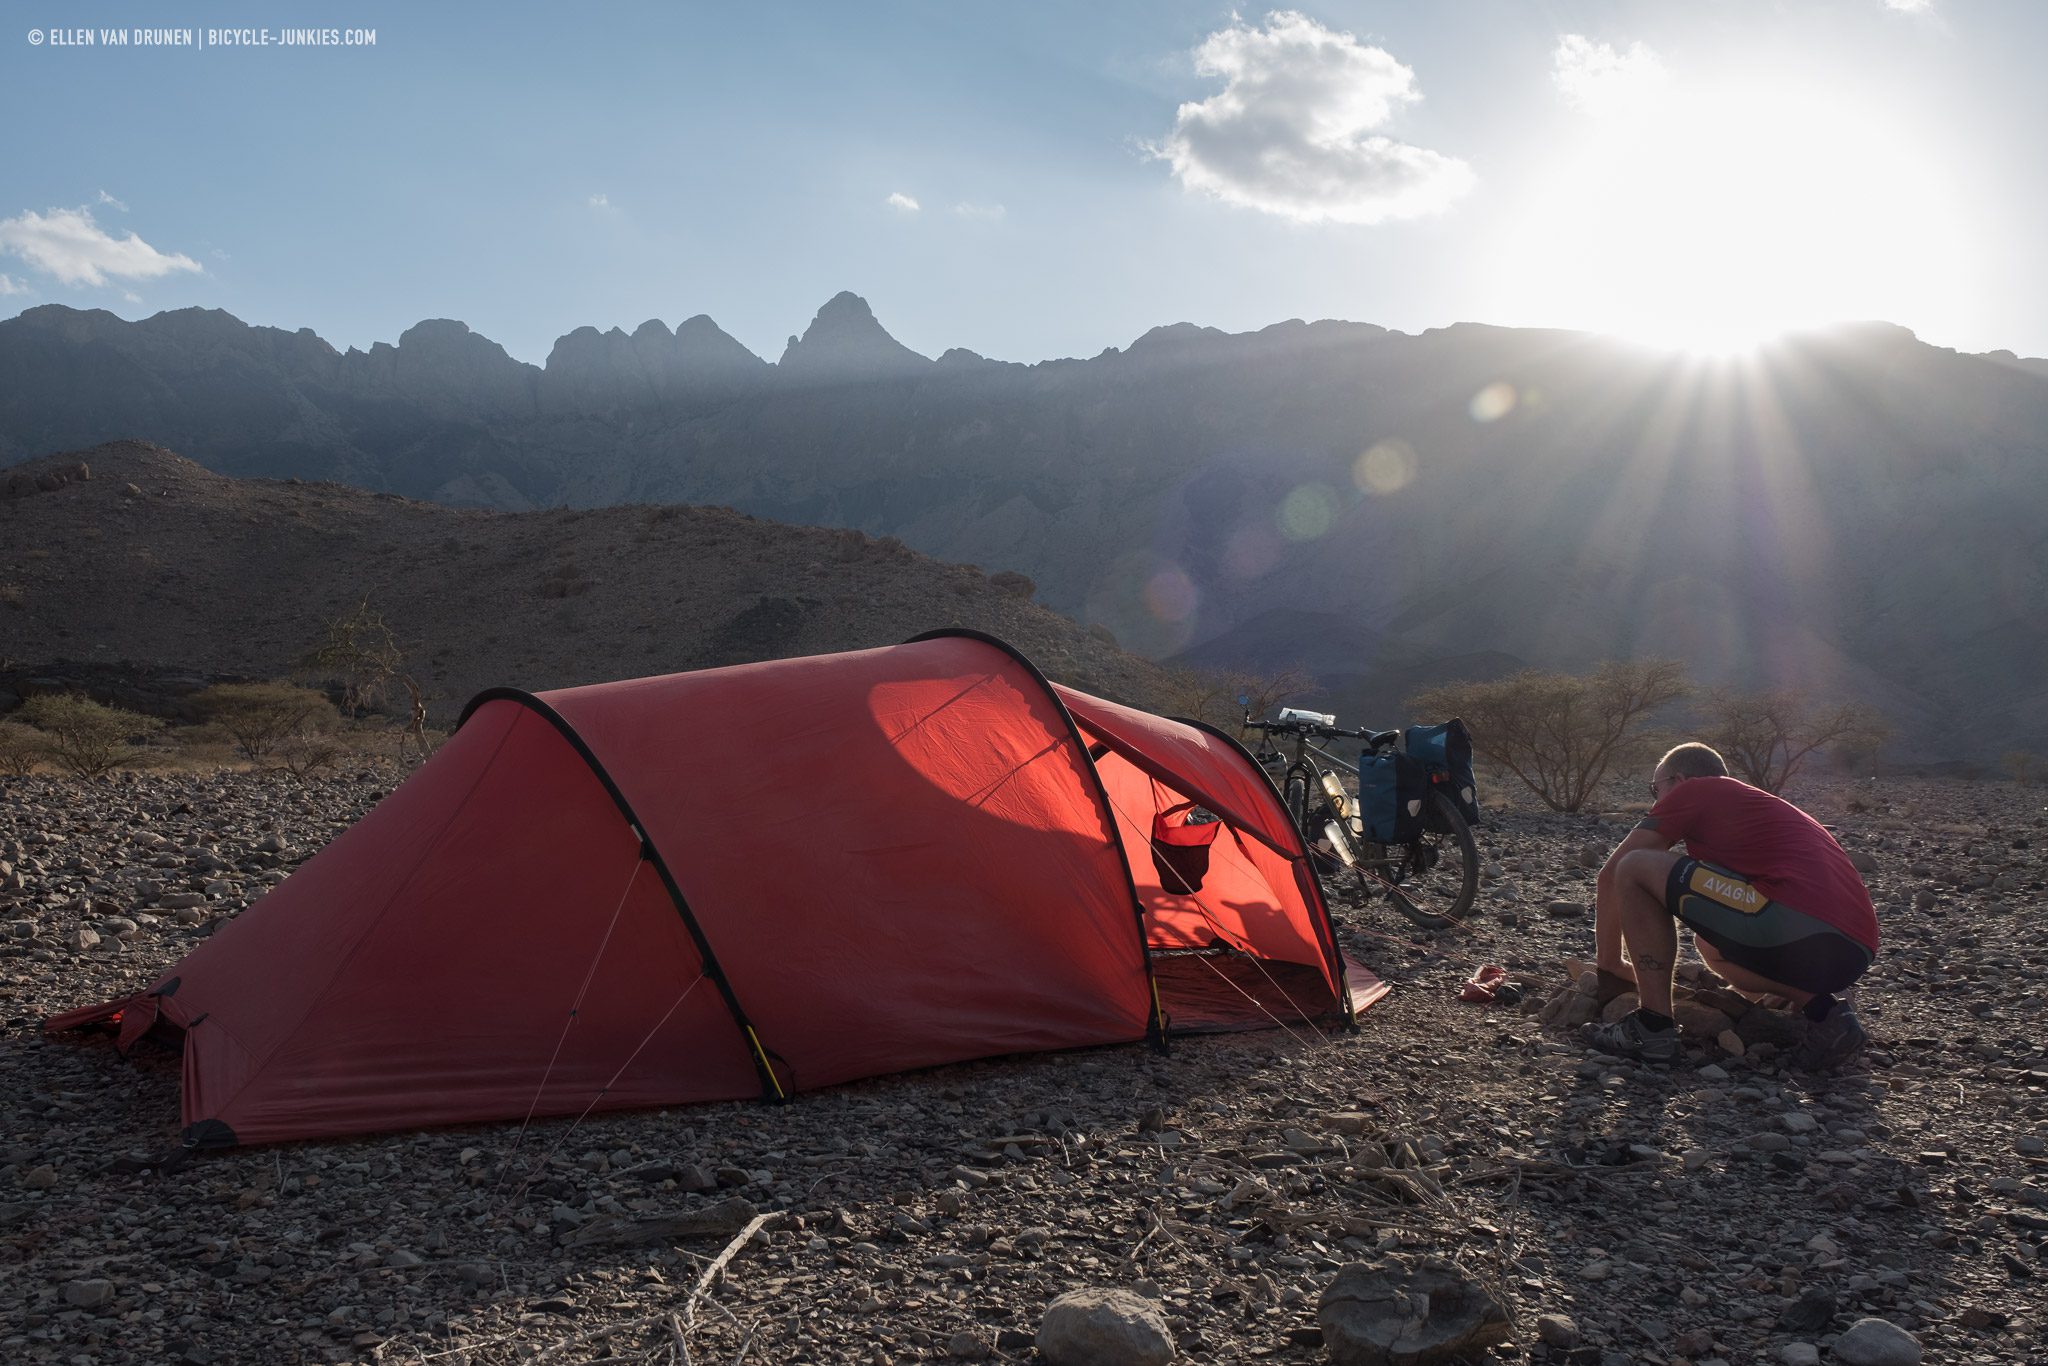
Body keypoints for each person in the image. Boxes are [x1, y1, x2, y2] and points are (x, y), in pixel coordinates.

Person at [1582, 742, 1878, 1067]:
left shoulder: (1695, 790)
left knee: (1634, 866)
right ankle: (1827, 1015)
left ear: (1679, 781)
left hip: (1800, 922)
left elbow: (1610, 875)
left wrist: (1610, 964)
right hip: (1853, 951)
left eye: (1656, 789)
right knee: (1711, 946)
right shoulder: (1755, 811)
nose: (1655, 802)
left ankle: (1652, 1025)